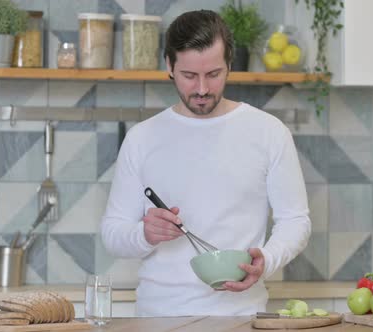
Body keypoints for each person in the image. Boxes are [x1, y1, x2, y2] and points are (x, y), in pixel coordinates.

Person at [101, 9, 311, 316]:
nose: (202, 89)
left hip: (240, 317)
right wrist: (144, 235)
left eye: (213, 74)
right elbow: (112, 233)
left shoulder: (269, 132)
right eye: (189, 75)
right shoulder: (141, 139)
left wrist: (267, 258)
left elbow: (295, 220)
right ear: (170, 66)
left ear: (229, 65)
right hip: (158, 318)